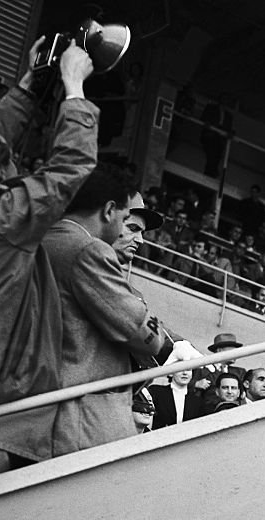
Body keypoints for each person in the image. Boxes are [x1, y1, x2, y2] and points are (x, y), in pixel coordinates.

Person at [43, 163, 203, 456]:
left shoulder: (48, 238)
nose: (140, 240)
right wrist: (166, 344)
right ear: (109, 211)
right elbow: (144, 332)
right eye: (130, 225)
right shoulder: (88, 250)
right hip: (79, 421)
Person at [0, 39, 97, 473]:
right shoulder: (3, 216)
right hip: (3, 411)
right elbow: (68, 170)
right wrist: (74, 90)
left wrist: (29, 87)